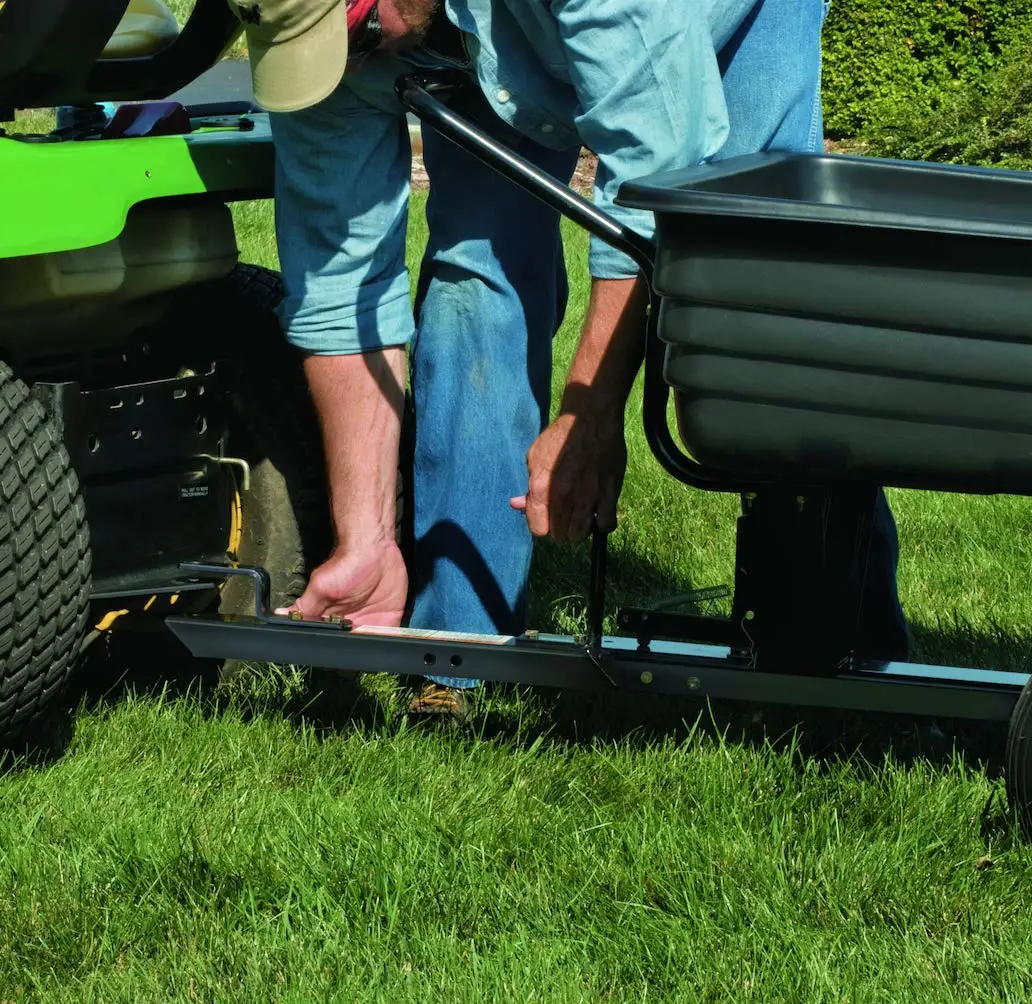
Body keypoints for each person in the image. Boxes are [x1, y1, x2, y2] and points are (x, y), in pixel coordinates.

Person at [229, 0, 908, 720]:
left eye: (360, 33)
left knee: (761, 296)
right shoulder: (333, 37)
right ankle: (454, 650)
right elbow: (340, 283)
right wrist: (362, 534)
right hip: (490, 28)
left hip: (726, 13)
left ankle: (847, 651)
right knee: (474, 274)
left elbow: (656, 190)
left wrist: (590, 416)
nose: (350, 64)